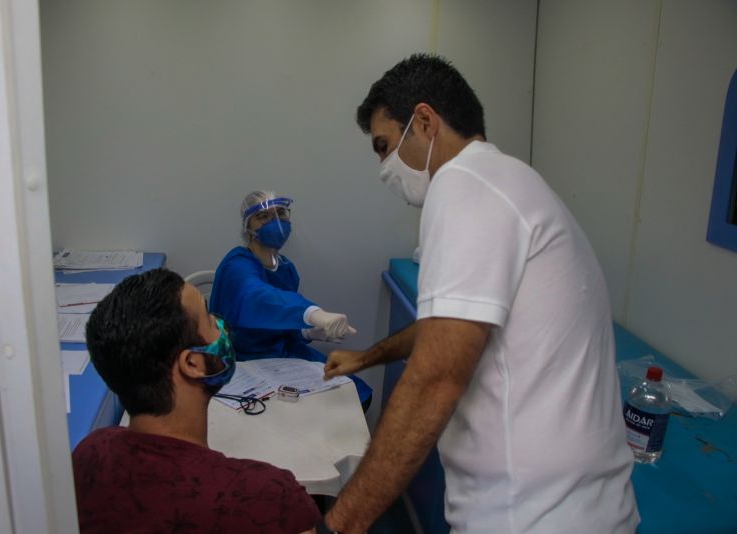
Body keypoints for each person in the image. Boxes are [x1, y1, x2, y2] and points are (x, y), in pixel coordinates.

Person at [322, 54, 639, 533]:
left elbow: (436, 378)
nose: (386, 168)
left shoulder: (463, 185)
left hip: (530, 515)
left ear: (425, 122)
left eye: (385, 147)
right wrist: (370, 356)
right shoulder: (510, 181)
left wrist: (340, 524)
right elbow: (446, 330)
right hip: (583, 506)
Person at [74, 268, 320, 534]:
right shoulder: (270, 501)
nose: (221, 324)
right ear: (192, 363)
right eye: (210, 319)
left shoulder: (89, 454)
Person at [209, 190, 372, 409]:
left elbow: (279, 320)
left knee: (356, 393)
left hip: (284, 352)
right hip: (243, 358)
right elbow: (258, 297)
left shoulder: (285, 268)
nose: (275, 222)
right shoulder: (237, 265)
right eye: (264, 216)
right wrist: (313, 314)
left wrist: (306, 332)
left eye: (280, 213)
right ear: (248, 227)